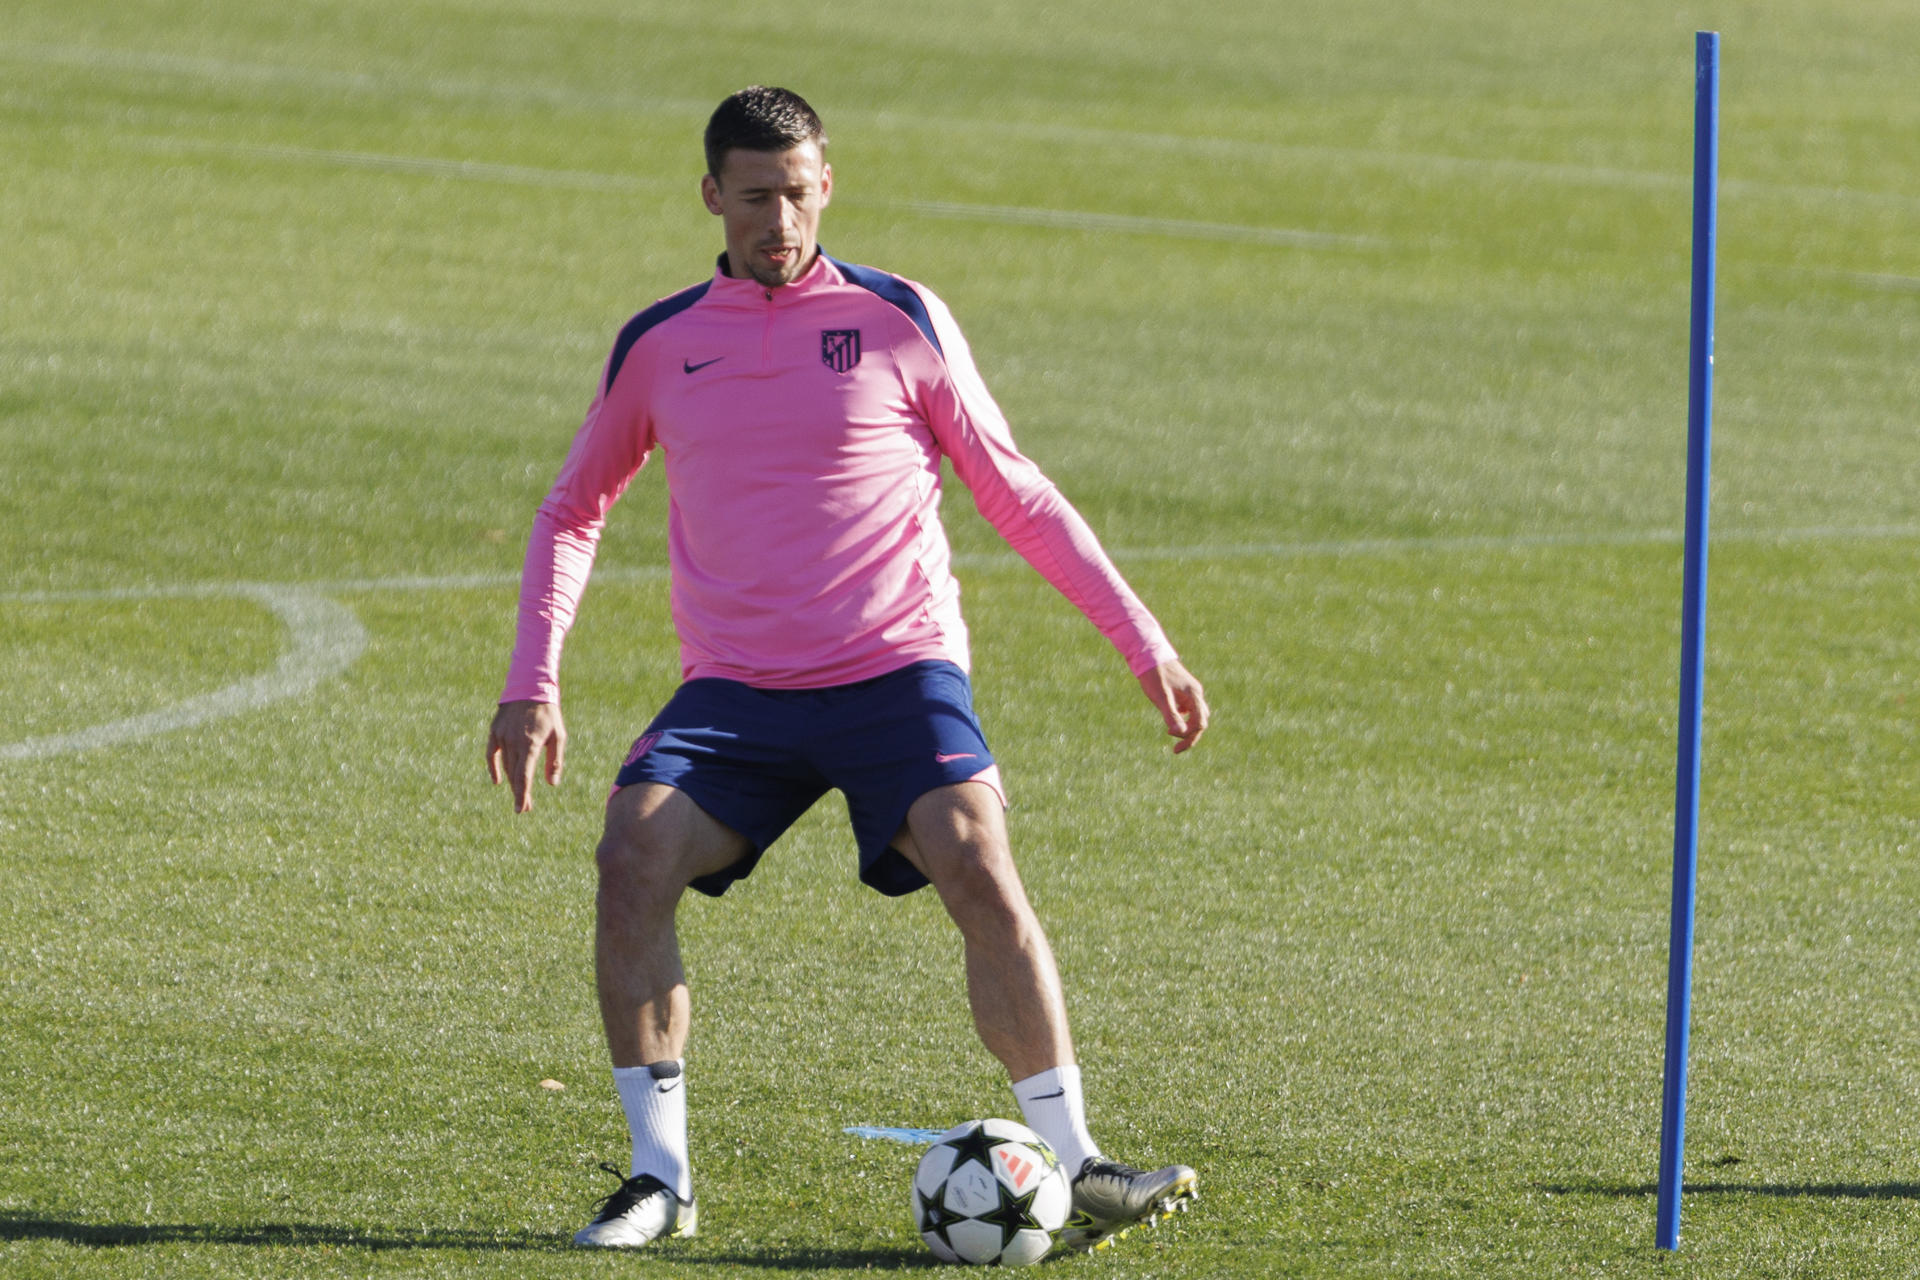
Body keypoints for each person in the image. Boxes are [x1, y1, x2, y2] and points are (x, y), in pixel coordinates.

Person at [486, 85, 1209, 1253]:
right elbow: (574, 508)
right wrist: (534, 680)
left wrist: (1146, 644)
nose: (780, 218)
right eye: (756, 194)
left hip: (894, 671)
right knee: (632, 852)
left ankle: (1076, 1164)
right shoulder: (663, 343)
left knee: (976, 853)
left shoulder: (896, 318)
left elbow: (1013, 490)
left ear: (830, 182)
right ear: (712, 195)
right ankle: (658, 1179)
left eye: (799, 189)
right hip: (735, 691)